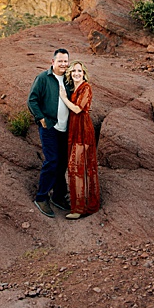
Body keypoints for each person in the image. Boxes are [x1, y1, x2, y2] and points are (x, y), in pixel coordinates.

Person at [27, 49, 73, 217]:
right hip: (50, 127)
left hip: (65, 128)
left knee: (62, 163)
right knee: (52, 160)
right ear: (52, 62)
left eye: (65, 61)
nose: (63, 64)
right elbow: (32, 100)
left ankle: (59, 196)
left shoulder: (69, 80)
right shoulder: (43, 78)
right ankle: (41, 197)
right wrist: (41, 118)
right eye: (60, 61)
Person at [63, 63, 101, 218]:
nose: (77, 73)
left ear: (84, 74)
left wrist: (63, 98)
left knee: (78, 166)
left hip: (83, 130)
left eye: (80, 71)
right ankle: (81, 203)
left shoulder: (86, 88)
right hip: (74, 128)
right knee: (77, 166)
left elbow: (78, 109)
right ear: (70, 74)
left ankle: (80, 209)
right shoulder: (74, 89)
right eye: (74, 71)